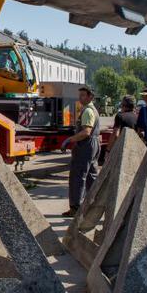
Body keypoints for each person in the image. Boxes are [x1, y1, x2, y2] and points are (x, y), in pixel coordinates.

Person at [60, 86, 101, 216]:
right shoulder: (92, 109)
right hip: (93, 144)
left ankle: (75, 208)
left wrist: (69, 140)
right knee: (91, 176)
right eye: (80, 95)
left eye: (83, 95)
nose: (80, 97)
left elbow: (86, 132)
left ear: (90, 97)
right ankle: (95, 205)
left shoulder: (88, 111)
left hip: (86, 145)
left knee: (78, 176)